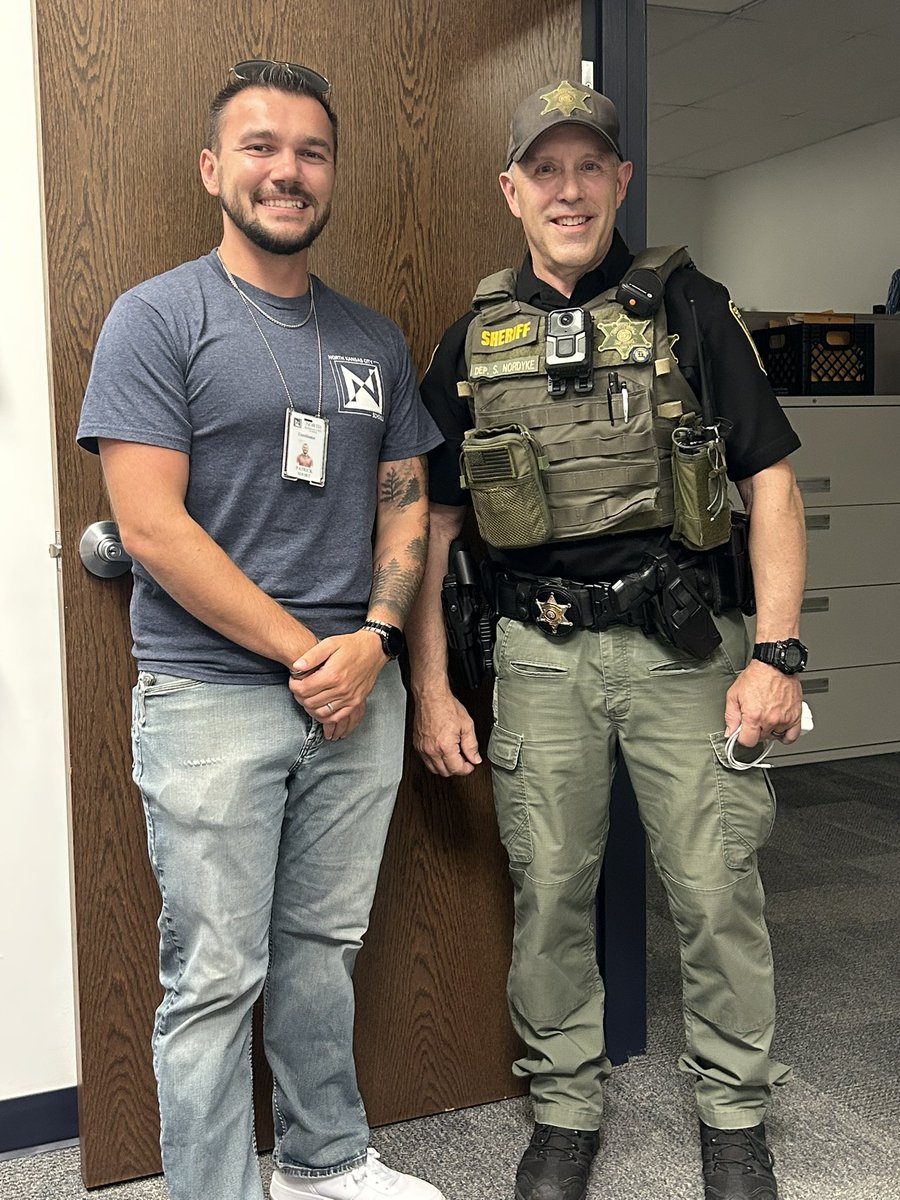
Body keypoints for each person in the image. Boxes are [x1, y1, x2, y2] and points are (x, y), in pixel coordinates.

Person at [405, 80, 807, 1200]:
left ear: (622, 180)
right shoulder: (472, 341)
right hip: (539, 657)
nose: (569, 190)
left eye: (590, 166)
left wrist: (776, 655)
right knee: (550, 892)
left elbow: (772, 485)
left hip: (688, 649)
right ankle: (564, 1109)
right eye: (546, 169)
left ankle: (736, 1116)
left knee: (716, 888)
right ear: (512, 190)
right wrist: (433, 689)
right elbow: (432, 527)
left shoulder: (691, 308)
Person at [77, 60, 445, 1200]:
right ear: (212, 169)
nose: (289, 171)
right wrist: (308, 653)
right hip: (212, 695)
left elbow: (406, 504)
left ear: (331, 174)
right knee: (214, 977)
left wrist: (375, 641)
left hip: (359, 691)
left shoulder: (373, 338)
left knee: (321, 953)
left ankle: (325, 1163)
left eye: (311, 152)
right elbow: (151, 527)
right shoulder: (157, 317)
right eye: (261, 147)